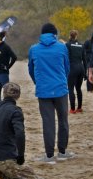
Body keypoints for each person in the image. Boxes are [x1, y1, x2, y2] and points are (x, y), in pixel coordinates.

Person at [28, 23, 73, 164]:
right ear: (55, 34)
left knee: (48, 122)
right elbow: (67, 67)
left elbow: (31, 69)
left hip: (43, 90)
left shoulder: (34, 49)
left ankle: (49, 155)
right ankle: (62, 151)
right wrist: (61, 80)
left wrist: (39, 82)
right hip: (60, 88)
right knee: (63, 120)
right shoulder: (62, 47)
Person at [0, 82, 41, 179]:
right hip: (6, 158)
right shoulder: (15, 111)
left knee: (9, 169)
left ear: (4, 94)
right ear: (18, 96)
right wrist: (21, 155)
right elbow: (20, 134)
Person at [0, 31, 17, 103]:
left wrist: (8, 67)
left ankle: (9, 105)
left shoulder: (5, 47)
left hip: (3, 73)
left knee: (7, 91)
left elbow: (14, 57)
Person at [66, 29, 87, 114]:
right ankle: (79, 108)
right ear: (76, 36)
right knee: (78, 88)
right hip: (81, 68)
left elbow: (66, 58)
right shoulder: (81, 45)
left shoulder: (67, 45)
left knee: (71, 89)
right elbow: (84, 60)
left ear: (70, 36)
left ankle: (72, 109)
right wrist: (85, 72)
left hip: (72, 68)